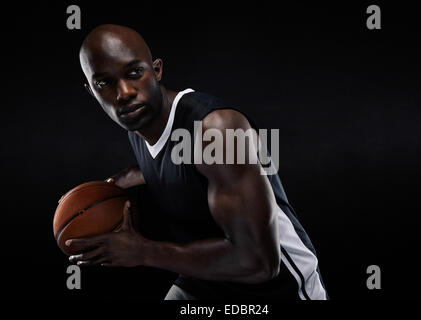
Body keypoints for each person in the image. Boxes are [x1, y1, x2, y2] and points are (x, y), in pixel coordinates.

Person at [67, 24, 328, 300]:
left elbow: (260, 263)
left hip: (275, 286)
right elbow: (174, 163)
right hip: (210, 276)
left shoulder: (218, 130)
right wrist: (112, 188)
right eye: (104, 83)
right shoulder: (140, 123)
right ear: (91, 91)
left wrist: (142, 251)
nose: (124, 93)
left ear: (156, 71)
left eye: (134, 73)